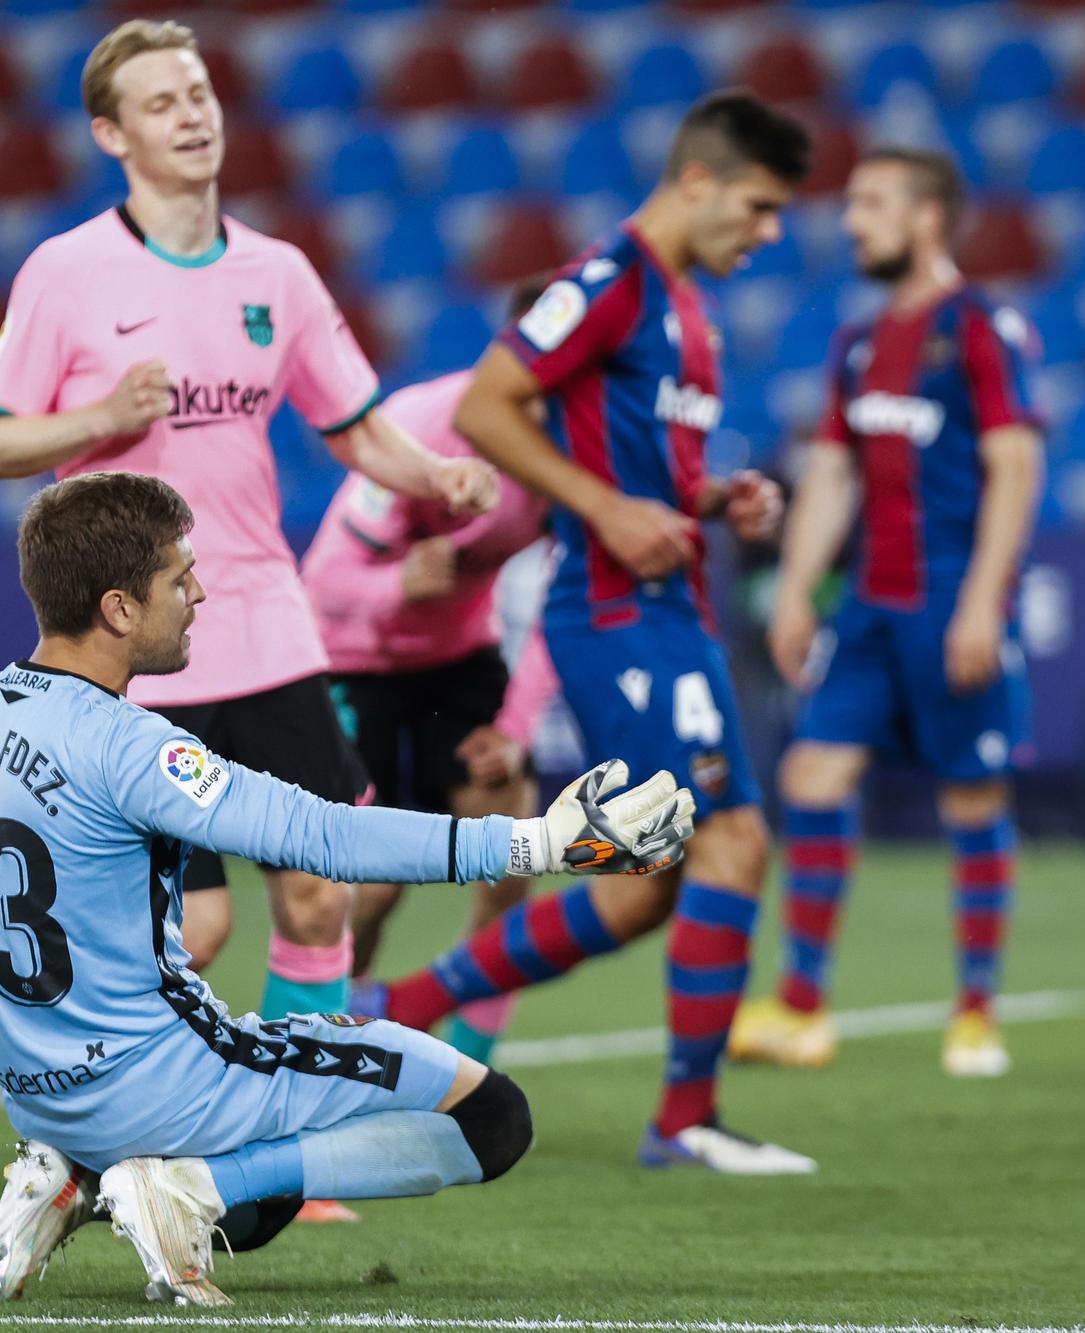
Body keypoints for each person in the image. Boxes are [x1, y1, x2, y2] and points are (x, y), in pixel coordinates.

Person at [0, 472, 692, 1306]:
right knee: (491, 1118)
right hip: (159, 1087)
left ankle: (70, 1176)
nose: (199, 594)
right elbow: (325, 835)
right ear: (118, 608)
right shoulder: (131, 746)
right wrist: (539, 842)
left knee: (262, 1178)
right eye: (178, 578)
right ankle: (186, 1187)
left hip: (34, 1091)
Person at [0, 19, 497, 1073]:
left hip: (261, 618)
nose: (191, 115)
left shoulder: (276, 273)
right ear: (113, 135)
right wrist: (100, 417)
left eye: (198, 94)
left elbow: (355, 425)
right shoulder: (67, 272)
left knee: (321, 888)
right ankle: (106, 1104)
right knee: (193, 925)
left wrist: (437, 475)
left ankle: (303, 1104)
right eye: (161, 103)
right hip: (136, 640)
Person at [363, 90, 816, 1175]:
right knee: (731, 839)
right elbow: (485, 405)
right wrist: (604, 509)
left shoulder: (688, 312)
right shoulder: (609, 284)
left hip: (670, 608)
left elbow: (650, 473)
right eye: (758, 206)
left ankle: (396, 1006)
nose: (769, 232)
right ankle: (684, 1120)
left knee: (645, 885)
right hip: (616, 615)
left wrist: (715, 500)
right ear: (697, 180)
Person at [728, 149, 1044, 1077]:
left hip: (952, 595)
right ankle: (802, 1007)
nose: (852, 221)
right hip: (870, 601)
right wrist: (796, 585)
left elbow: (1016, 464)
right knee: (812, 774)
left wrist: (983, 600)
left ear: (927, 217)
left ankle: (976, 1010)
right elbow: (834, 471)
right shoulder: (860, 343)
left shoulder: (981, 326)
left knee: (971, 794)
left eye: (871, 204)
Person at [299, 278, 557, 1066]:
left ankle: (473, 1063)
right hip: (352, 662)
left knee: (513, 847)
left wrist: (514, 728)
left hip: (459, 657)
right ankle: (339, 1047)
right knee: (373, 885)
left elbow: (569, 598)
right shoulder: (424, 428)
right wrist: (398, 584)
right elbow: (321, 584)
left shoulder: (576, 450)